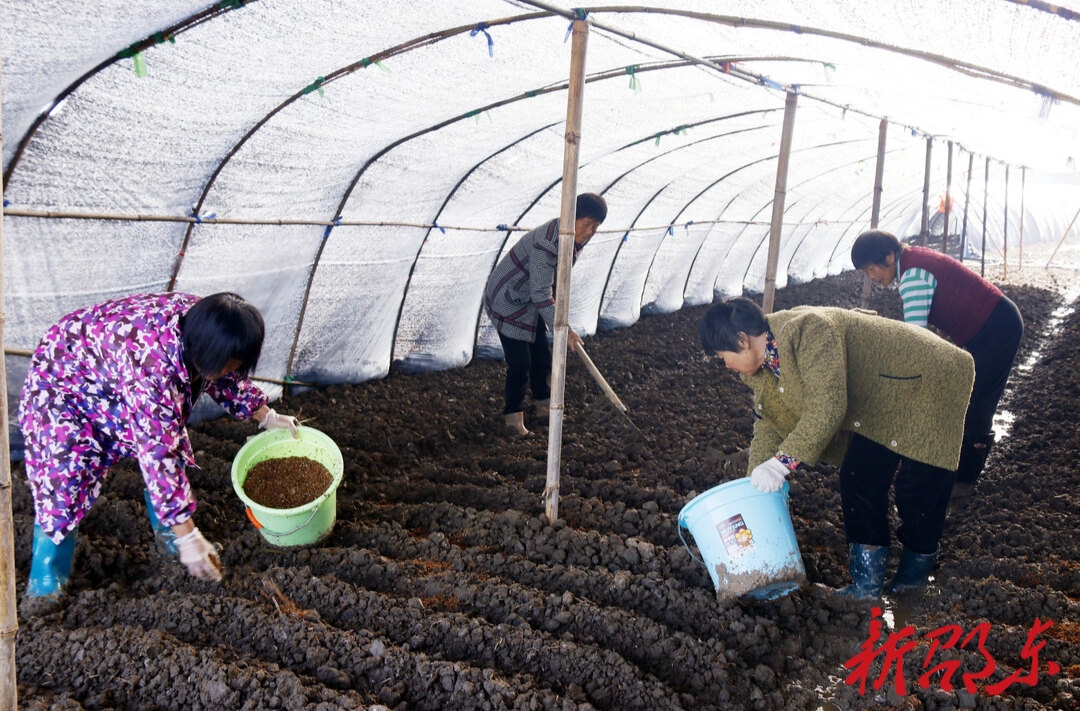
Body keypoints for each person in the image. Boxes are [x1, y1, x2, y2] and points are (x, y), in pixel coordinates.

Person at [18, 292, 299, 605]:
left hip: (112, 374)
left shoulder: (210, 323)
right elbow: (158, 454)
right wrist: (191, 536)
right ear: (202, 349)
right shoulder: (152, 365)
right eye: (221, 364)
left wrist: (266, 416)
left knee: (171, 440)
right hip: (63, 385)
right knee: (65, 481)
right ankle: (45, 583)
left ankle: (172, 539)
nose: (223, 371)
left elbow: (224, 375)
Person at [700, 298, 974, 599]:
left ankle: (913, 580)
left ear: (743, 340)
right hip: (880, 398)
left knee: (919, 486)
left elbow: (827, 406)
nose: (726, 365)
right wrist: (753, 489)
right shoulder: (763, 368)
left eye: (723, 356)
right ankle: (866, 586)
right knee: (858, 476)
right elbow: (768, 422)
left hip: (928, 377)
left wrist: (780, 464)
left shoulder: (807, 331)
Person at [851, 230, 1024, 498]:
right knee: (970, 396)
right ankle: (958, 470)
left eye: (872, 268)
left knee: (978, 401)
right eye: (866, 271)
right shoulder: (913, 259)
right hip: (993, 322)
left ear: (889, 256)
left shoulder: (912, 278)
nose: (871, 276)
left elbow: (916, 341)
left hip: (996, 328)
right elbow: (943, 309)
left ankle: (963, 482)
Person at [484, 193, 608, 435]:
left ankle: (543, 408)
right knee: (521, 363)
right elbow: (541, 293)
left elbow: (550, 286)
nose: (591, 231)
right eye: (587, 224)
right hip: (507, 300)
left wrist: (559, 321)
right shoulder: (548, 244)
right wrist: (565, 330)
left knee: (541, 356)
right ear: (571, 217)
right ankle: (513, 419)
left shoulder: (572, 236)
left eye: (596, 226)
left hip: (529, 301)